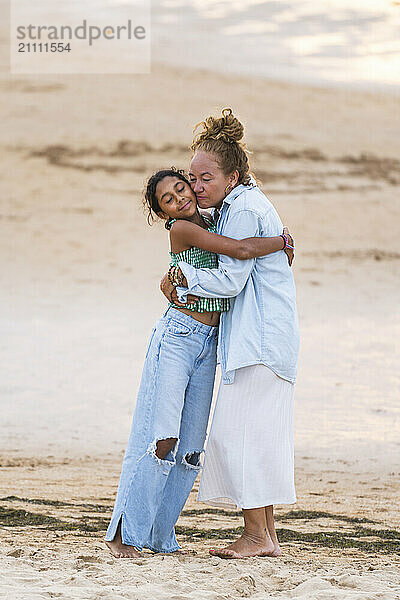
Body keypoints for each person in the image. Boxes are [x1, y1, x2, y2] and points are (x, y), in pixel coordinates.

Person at [105, 167, 294, 558]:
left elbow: (240, 251)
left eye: (181, 188)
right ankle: (124, 533)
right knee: (160, 438)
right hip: (177, 338)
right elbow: (241, 250)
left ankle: (160, 536)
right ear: (163, 214)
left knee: (190, 449)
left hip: (210, 342)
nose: (179, 198)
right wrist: (280, 240)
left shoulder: (214, 218)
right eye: (168, 200)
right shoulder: (183, 230)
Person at [161, 108, 300, 559]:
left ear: (232, 175)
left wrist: (181, 275)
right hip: (265, 339)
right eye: (192, 178)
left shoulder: (242, 209)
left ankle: (257, 535)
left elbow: (231, 279)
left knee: (237, 435)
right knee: (256, 434)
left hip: (259, 341)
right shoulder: (243, 203)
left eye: (206, 178)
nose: (197, 187)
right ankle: (266, 536)